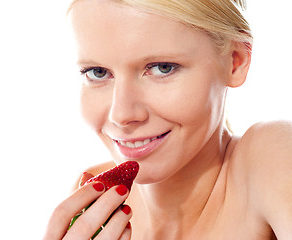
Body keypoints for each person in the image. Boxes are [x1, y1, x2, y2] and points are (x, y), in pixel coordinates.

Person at [44, 0, 292, 239]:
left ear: (235, 62)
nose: (121, 115)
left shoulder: (270, 157)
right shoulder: (94, 204)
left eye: (162, 68)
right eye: (97, 73)